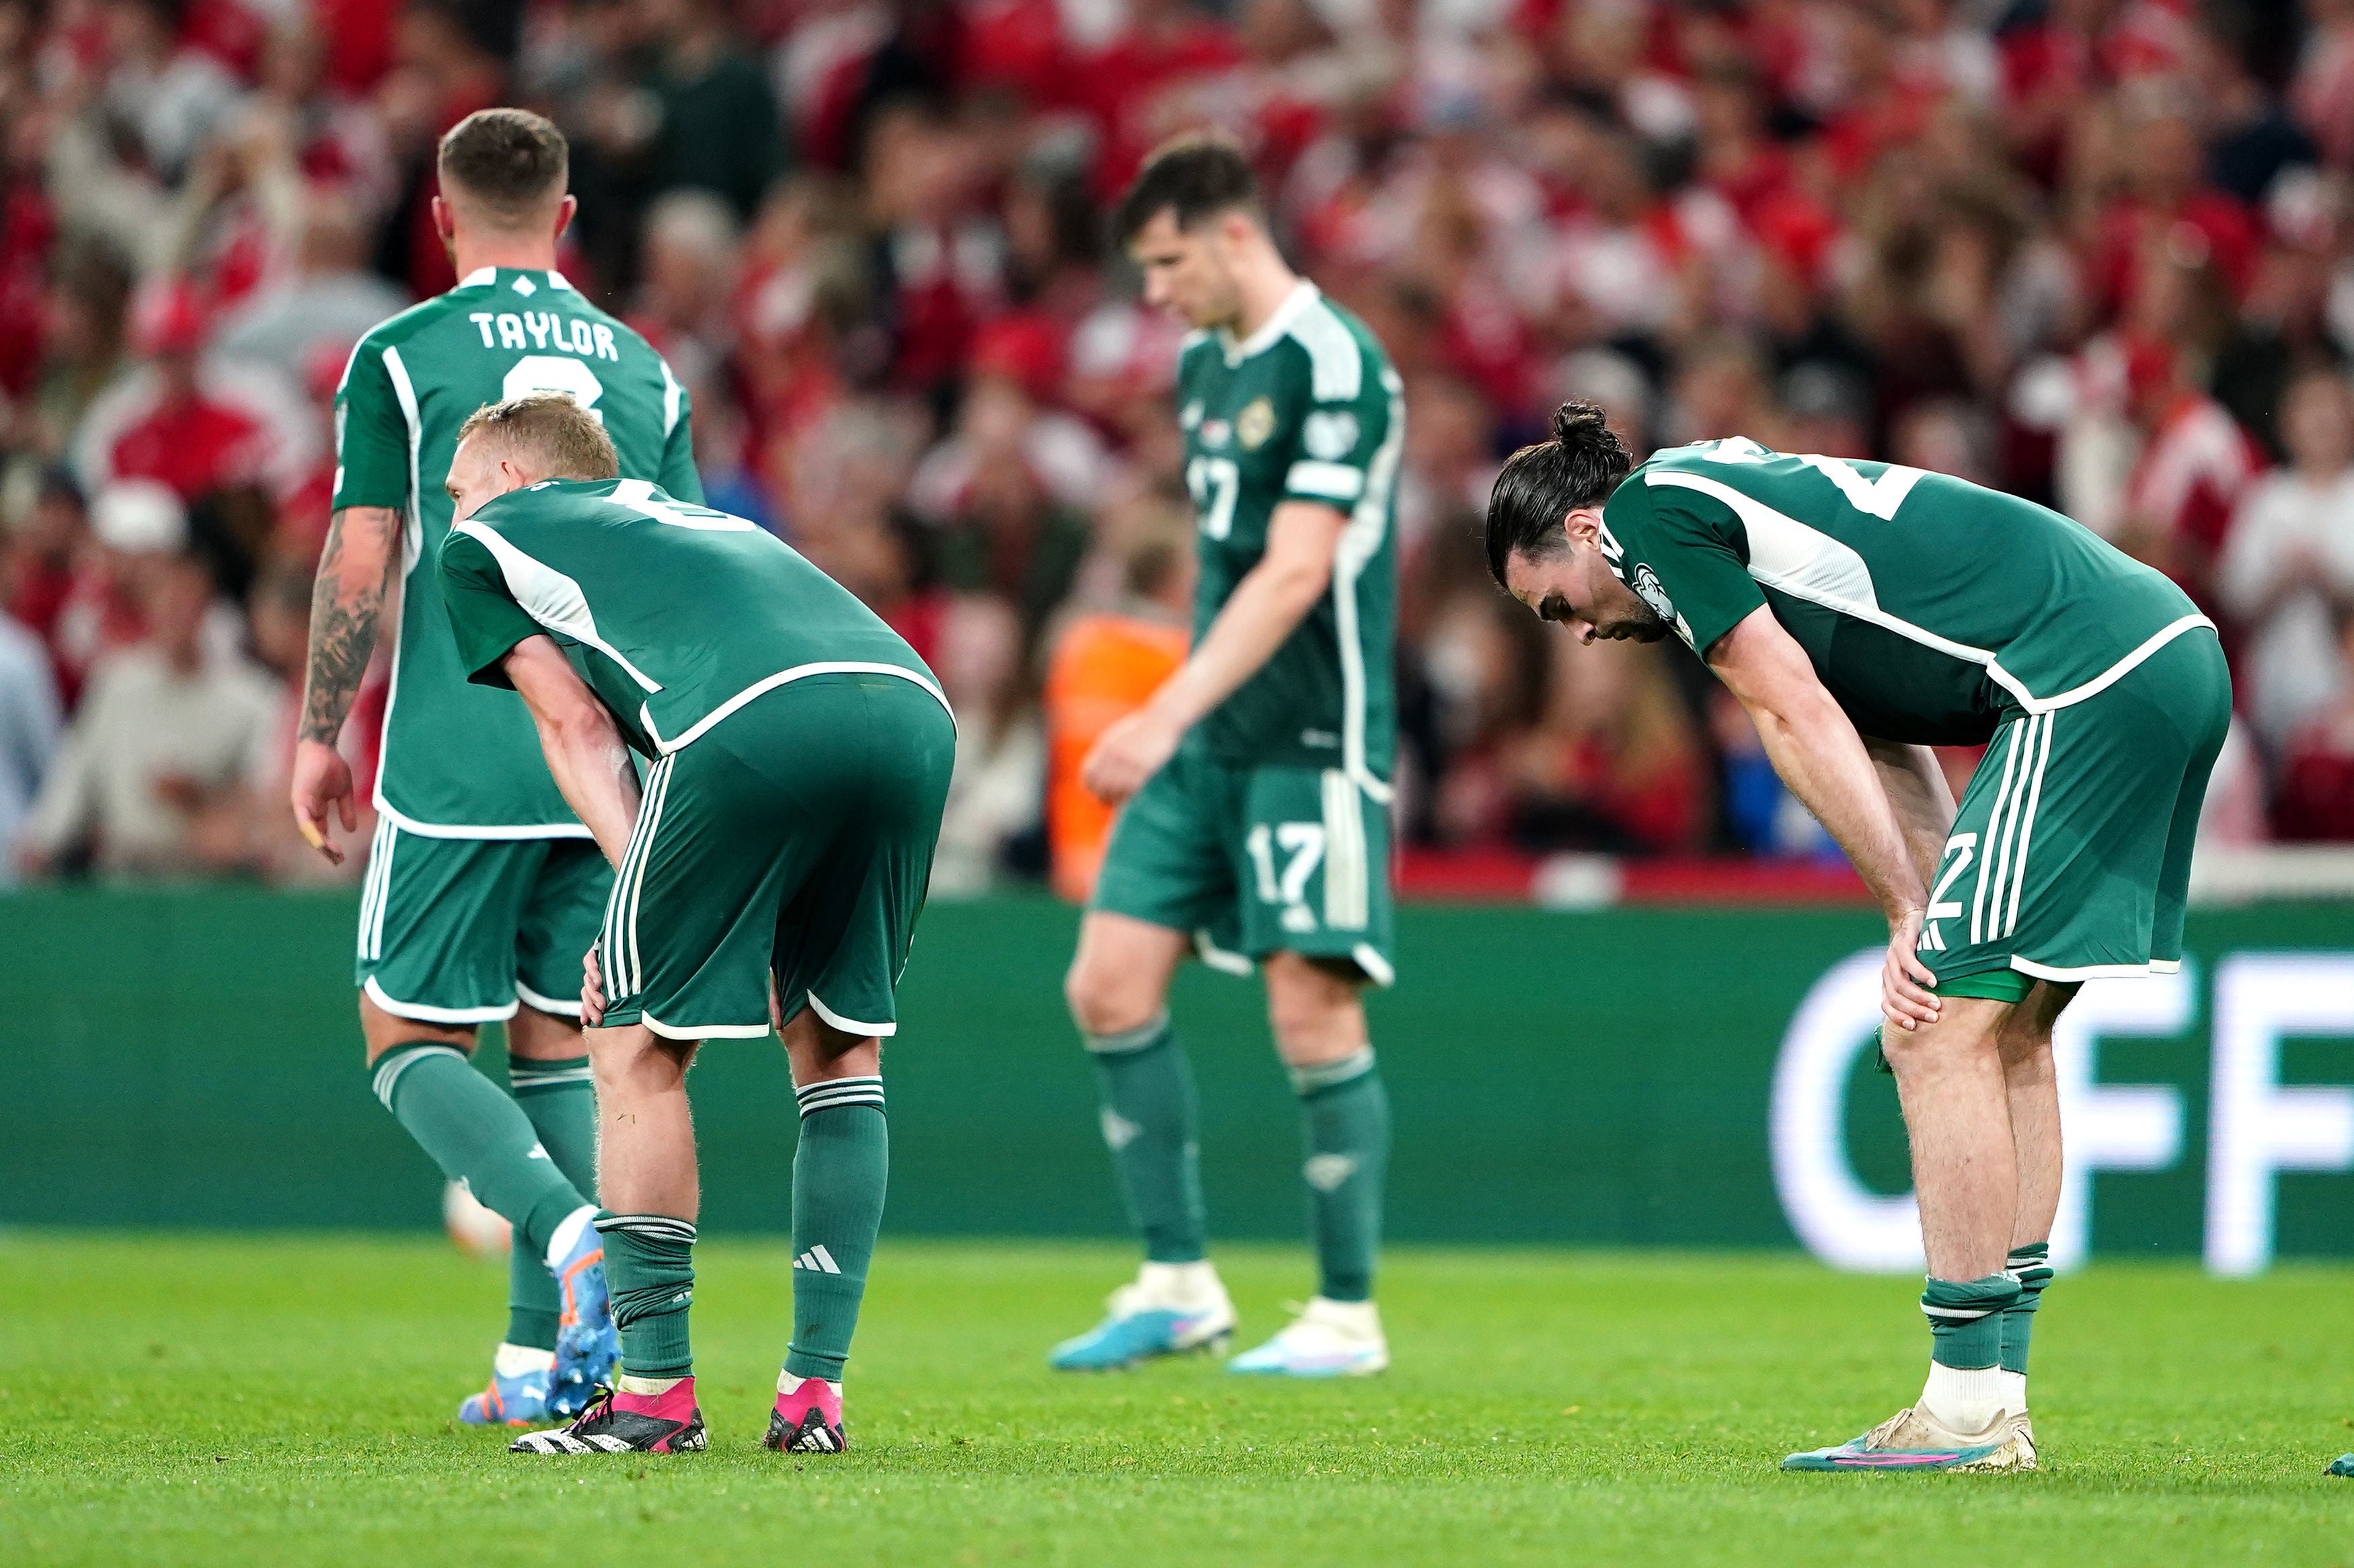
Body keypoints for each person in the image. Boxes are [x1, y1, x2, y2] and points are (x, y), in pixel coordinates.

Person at [1484, 403, 2230, 1473]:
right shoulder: (1732, 509)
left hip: (2084, 680)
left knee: (1935, 1033)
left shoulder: (1651, 520)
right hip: (2163, 654)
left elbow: (1790, 712)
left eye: (1558, 606)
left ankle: (1966, 1412)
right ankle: (1994, 1398)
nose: (1581, 632)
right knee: (2003, 1030)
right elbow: (1880, 731)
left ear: (1591, 530)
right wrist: (1927, 900)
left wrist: (1903, 915)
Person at [431, 394, 954, 1458]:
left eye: (460, 483)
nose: (453, 504)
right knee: (838, 1045)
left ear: (515, 477)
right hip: (910, 705)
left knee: (628, 1038)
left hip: (749, 720)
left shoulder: (488, 540)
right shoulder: (685, 517)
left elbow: (579, 729)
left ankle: (655, 1399)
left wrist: (638, 902)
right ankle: (813, 1400)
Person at [287, 108, 702, 1429]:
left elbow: (366, 549)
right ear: (567, 219)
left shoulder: (404, 350)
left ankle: (572, 1233)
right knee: (555, 1045)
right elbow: (679, 571)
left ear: (442, 213)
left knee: (403, 1031)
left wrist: (318, 726)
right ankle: (539, 1358)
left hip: (460, 744)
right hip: (604, 757)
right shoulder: (645, 370)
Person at [1051, 135, 1405, 1378]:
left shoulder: (1339, 364)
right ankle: (1178, 1281)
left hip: (1310, 737)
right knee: (1106, 983)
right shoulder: (1207, 367)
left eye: (1164, 263)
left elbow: (1299, 565)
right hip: (1209, 738)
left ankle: (1347, 1315)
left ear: (1233, 234)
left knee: (1310, 1006)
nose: (1154, 294)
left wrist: (1162, 708)